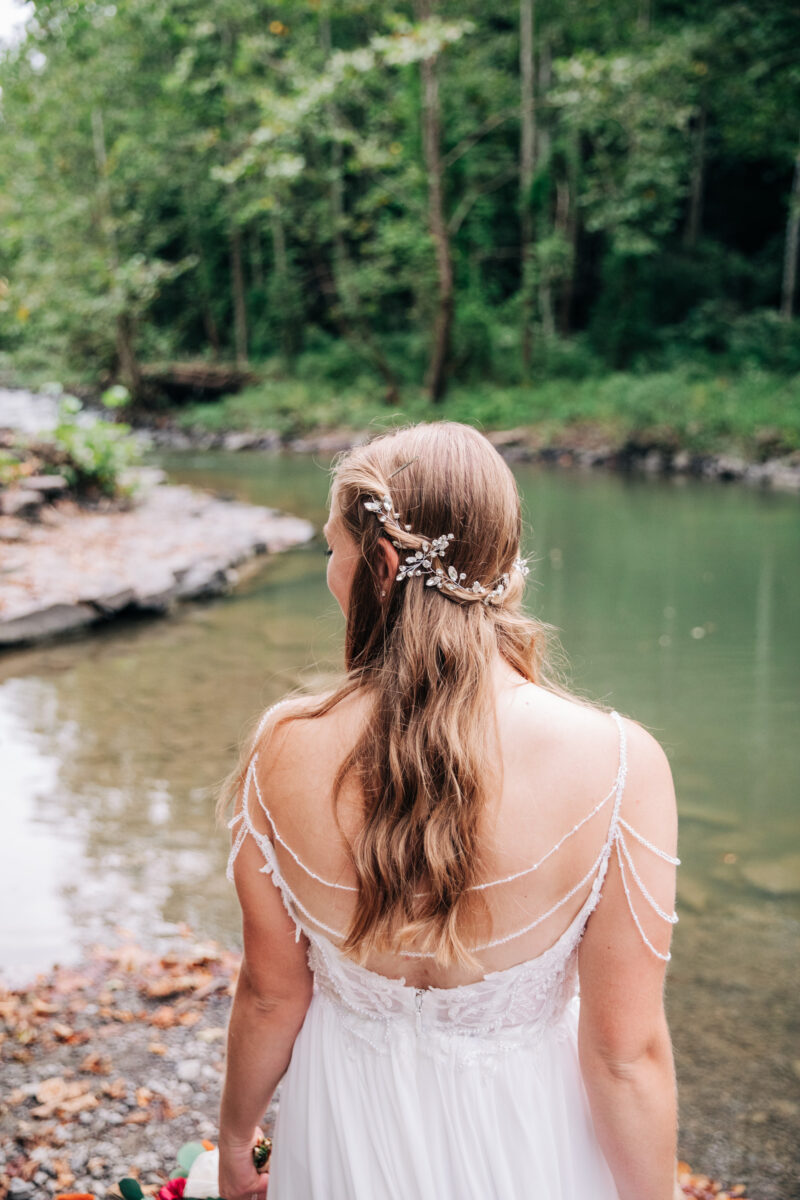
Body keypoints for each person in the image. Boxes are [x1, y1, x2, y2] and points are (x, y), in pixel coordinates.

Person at [217, 421, 680, 1200]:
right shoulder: (620, 765)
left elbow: (270, 992)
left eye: (333, 548)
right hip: (526, 1140)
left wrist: (235, 1138)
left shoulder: (283, 746)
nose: (331, 568)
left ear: (384, 562)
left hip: (345, 1131)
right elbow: (623, 1056)